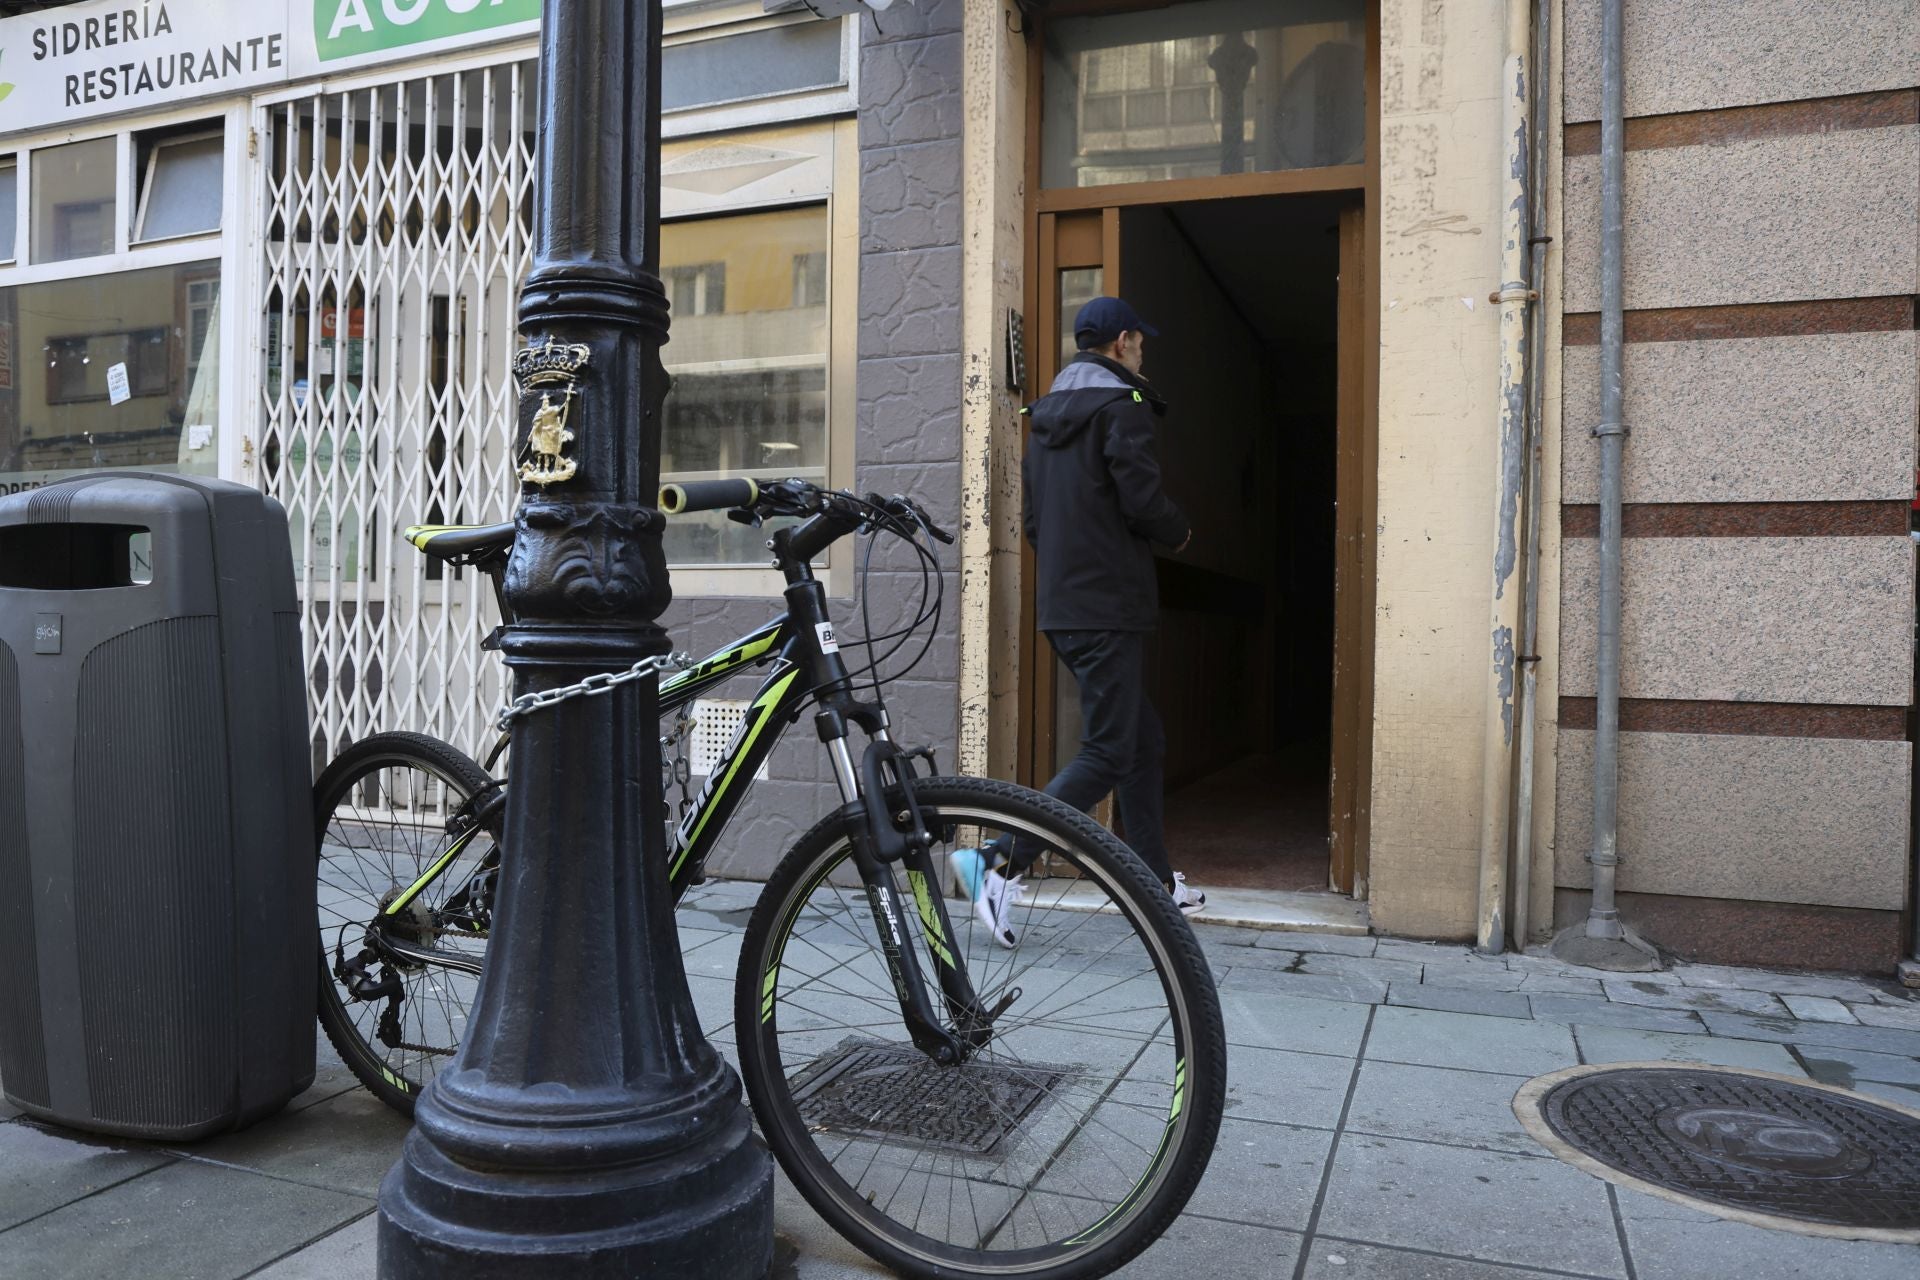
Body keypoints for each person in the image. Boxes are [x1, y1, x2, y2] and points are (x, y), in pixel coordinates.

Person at [951, 296, 1206, 948]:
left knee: (1138, 741)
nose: (1143, 351)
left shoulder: (1044, 420)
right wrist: (1179, 531)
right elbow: (1140, 495)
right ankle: (998, 860)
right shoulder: (1123, 409)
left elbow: (1033, 523)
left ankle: (1153, 884)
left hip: (1065, 607)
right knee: (1109, 750)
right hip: (1109, 605)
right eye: (1139, 340)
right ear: (1122, 342)